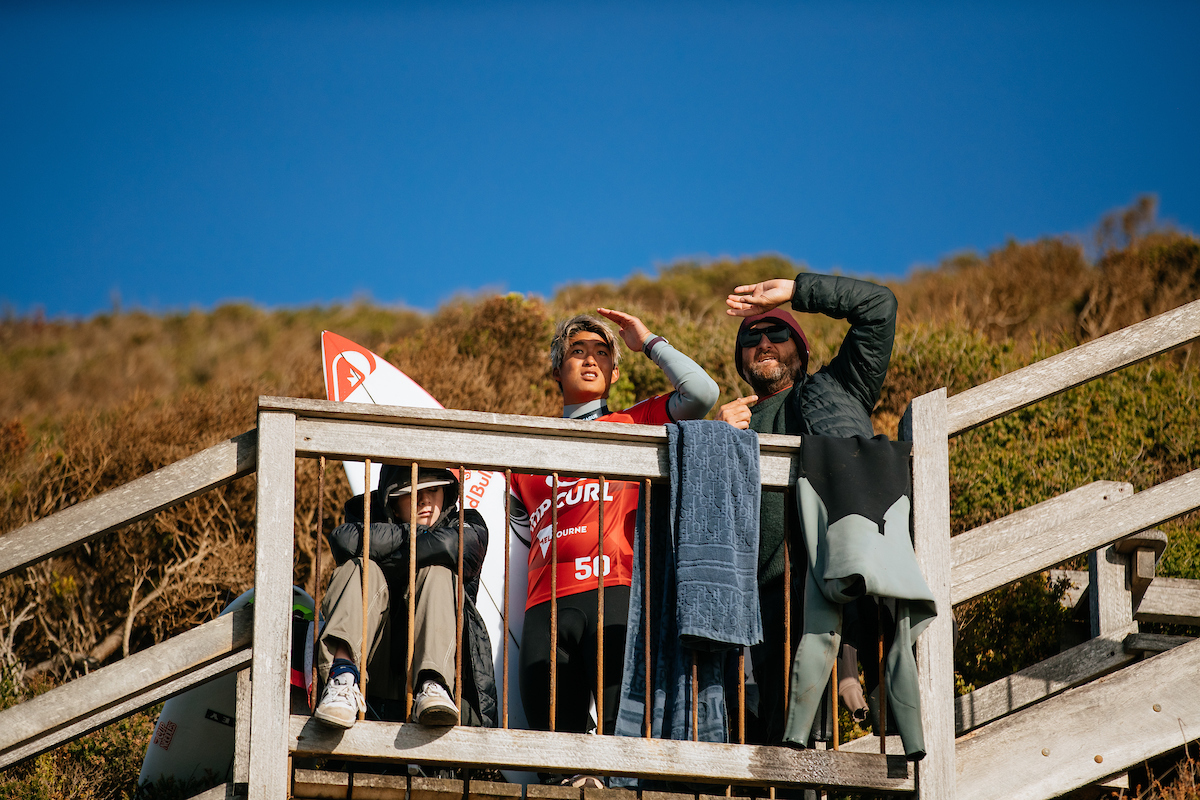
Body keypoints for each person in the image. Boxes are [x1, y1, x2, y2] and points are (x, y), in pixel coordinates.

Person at [509, 309, 719, 755]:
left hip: (615, 593)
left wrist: (649, 342)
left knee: (624, 744)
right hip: (543, 607)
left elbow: (702, 393)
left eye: (602, 354)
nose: (590, 361)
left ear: (616, 371)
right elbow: (520, 534)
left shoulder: (635, 422)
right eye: (577, 352)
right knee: (553, 751)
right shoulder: (526, 447)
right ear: (556, 369)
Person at [718, 272, 897, 745]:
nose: (764, 342)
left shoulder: (841, 388)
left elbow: (879, 307)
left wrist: (796, 292)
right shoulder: (732, 423)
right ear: (740, 361)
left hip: (845, 576)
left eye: (777, 332)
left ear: (803, 349)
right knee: (784, 737)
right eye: (750, 338)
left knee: (865, 723)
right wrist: (714, 441)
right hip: (769, 597)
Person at [312, 464, 496, 730]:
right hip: (373, 668)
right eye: (411, 492)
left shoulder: (468, 524)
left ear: (446, 493)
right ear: (392, 503)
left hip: (448, 671)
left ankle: (434, 685)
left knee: (437, 569)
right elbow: (343, 541)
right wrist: (415, 537)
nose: (425, 499)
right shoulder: (364, 517)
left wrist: (386, 547)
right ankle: (342, 679)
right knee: (360, 568)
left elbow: (450, 546)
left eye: (433, 489)